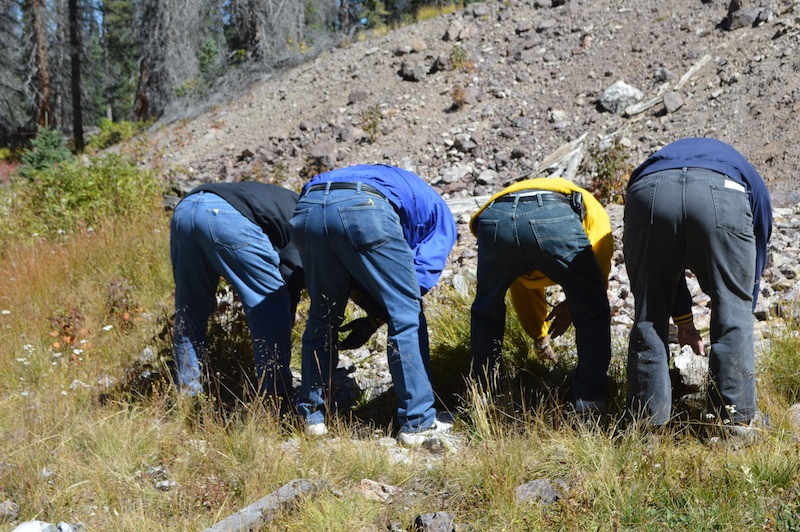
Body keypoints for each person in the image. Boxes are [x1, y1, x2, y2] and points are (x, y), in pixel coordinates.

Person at [290, 164, 457, 445]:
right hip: (365, 206)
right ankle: (418, 423)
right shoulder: (442, 218)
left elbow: (353, 268)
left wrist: (372, 317)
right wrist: (383, 313)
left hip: (309, 208)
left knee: (323, 315)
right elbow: (416, 283)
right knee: (407, 315)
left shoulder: (391, 184)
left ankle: (312, 418)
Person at [623, 138, 772, 433]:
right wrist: (743, 303)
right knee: (732, 317)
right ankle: (736, 425)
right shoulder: (739, 166)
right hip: (723, 192)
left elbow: (667, 271)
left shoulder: (659, 159)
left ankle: (644, 426)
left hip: (648, 192)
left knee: (649, 313)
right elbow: (760, 237)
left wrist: (683, 322)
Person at [470, 177, 614, 414]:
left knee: (486, 310)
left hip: (495, 216)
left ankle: (484, 398)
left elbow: (522, 285)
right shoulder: (593, 208)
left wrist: (540, 338)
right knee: (593, 310)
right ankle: (590, 402)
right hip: (552, 213)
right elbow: (599, 265)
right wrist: (577, 303)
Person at [170, 181, 303, 398]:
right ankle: (276, 396)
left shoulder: (292, 202)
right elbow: (291, 272)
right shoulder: (307, 219)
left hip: (185, 210)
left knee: (190, 312)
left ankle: (187, 396)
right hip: (224, 215)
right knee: (271, 303)